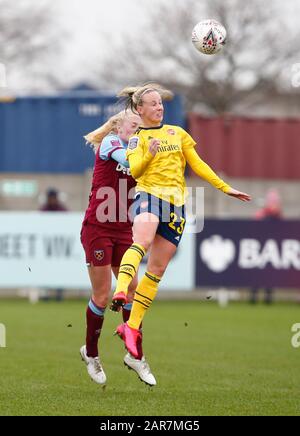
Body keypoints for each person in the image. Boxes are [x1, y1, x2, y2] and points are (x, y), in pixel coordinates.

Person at [111, 84, 251, 361]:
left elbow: (197, 164)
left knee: (157, 271)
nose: (159, 107)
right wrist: (149, 152)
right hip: (149, 196)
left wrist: (225, 188)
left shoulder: (178, 133)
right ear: (140, 110)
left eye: (160, 103)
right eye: (152, 103)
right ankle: (120, 292)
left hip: (177, 206)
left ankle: (132, 327)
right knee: (143, 241)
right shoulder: (136, 140)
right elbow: (136, 169)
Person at [80, 109, 156, 387]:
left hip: (123, 229)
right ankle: (91, 353)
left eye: (140, 127)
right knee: (101, 296)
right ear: (118, 126)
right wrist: (148, 154)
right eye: (133, 126)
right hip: (97, 228)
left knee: (132, 289)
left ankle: (135, 355)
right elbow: (127, 160)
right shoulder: (111, 143)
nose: (137, 131)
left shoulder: (139, 150)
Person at [250, 189, 282, 304]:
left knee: (269, 274)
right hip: (259, 248)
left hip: (271, 249)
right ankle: (253, 297)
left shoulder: (277, 216)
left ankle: (268, 298)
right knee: (257, 273)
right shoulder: (262, 214)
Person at [40, 188, 68, 301]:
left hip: (60, 245)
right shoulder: (43, 210)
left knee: (60, 268)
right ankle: (45, 293)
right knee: (44, 269)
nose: (52, 200)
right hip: (46, 245)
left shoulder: (62, 210)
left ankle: (59, 293)